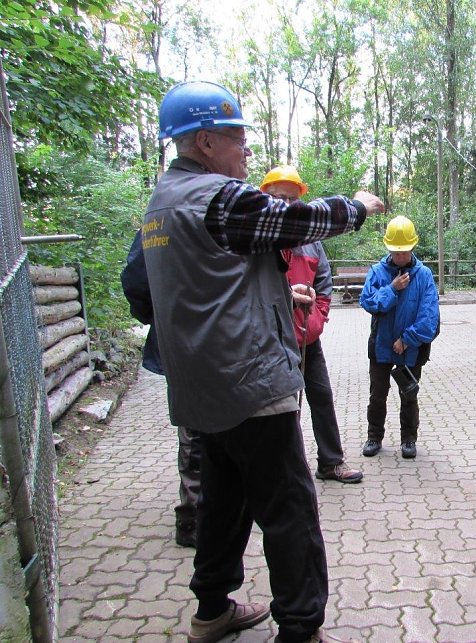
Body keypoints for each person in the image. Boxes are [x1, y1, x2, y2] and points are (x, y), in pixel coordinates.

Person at [143, 80, 384, 643]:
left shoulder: (159, 205)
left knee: (222, 504)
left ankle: (211, 611)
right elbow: (296, 221)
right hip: (250, 383)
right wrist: (357, 207)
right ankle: (300, 629)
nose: (246, 149)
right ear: (204, 141)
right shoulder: (218, 199)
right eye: (237, 138)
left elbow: (138, 287)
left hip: (200, 390)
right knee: (289, 510)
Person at [259, 166, 363, 484]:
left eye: (292, 199)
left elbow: (324, 283)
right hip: (273, 340)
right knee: (281, 406)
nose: (286, 205)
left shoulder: (310, 240)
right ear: (266, 198)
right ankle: (282, 469)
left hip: (307, 336)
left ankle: (331, 461)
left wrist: (315, 320)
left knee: (321, 396)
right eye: (278, 198)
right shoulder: (261, 237)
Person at [121, 230, 201, 548]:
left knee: (195, 427)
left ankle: (201, 511)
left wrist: (158, 317)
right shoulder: (216, 210)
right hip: (197, 341)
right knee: (198, 429)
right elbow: (137, 282)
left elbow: (134, 281)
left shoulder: (155, 221)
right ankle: (192, 517)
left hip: (180, 338)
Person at [359, 215, 440, 460]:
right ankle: (374, 436)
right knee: (377, 394)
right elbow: (368, 302)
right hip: (382, 346)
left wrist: (407, 339)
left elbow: (430, 317)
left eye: (404, 252)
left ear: (413, 247)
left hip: (412, 349)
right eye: (396, 252)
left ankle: (408, 440)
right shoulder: (377, 272)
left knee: (409, 394)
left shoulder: (424, 275)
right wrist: (392, 289)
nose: (400, 257)